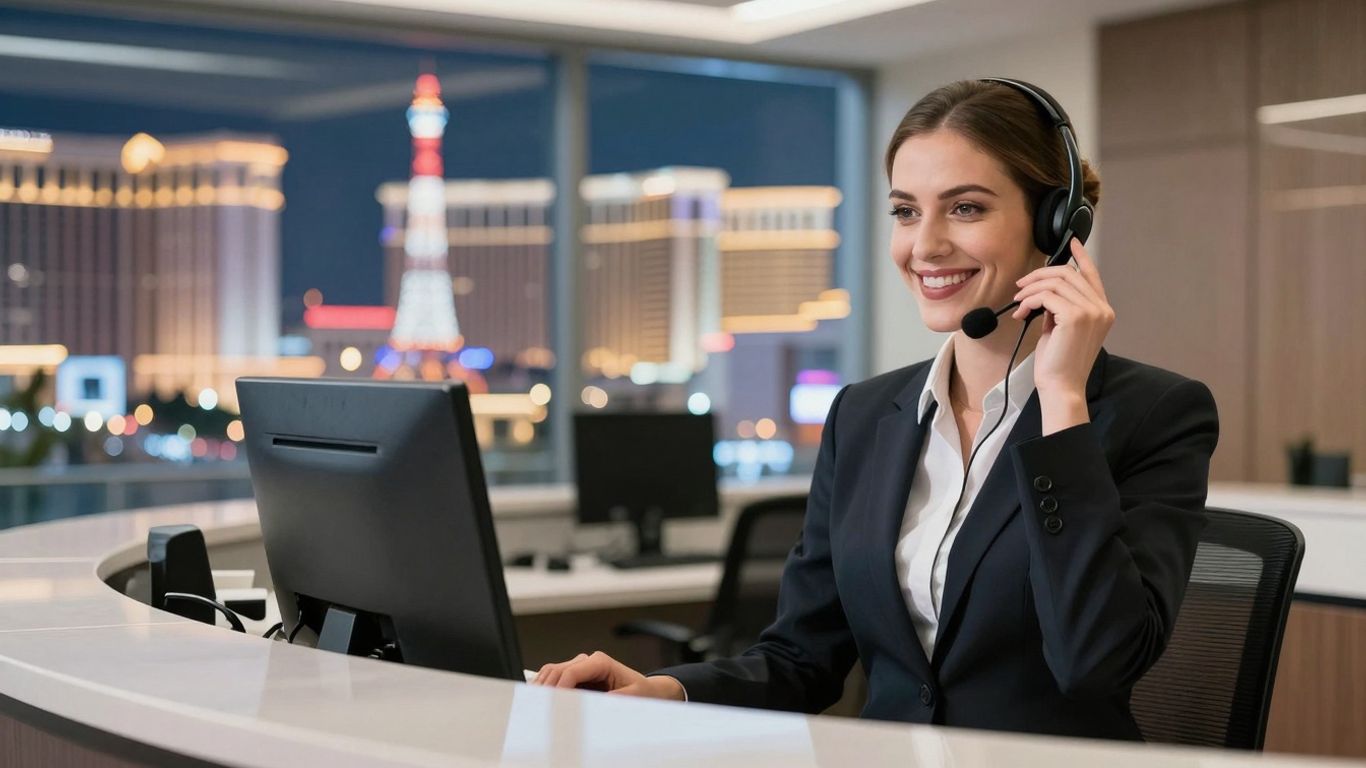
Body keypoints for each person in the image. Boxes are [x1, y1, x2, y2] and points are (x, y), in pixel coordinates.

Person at [532, 79, 1218, 741]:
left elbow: (1094, 661)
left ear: (1058, 222)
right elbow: (801, 659)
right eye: (905, 211)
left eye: (966, 208)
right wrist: (664, 691)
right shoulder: (864, 415)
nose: (924, 246)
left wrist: (1063, 398)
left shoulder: (1153, 415)